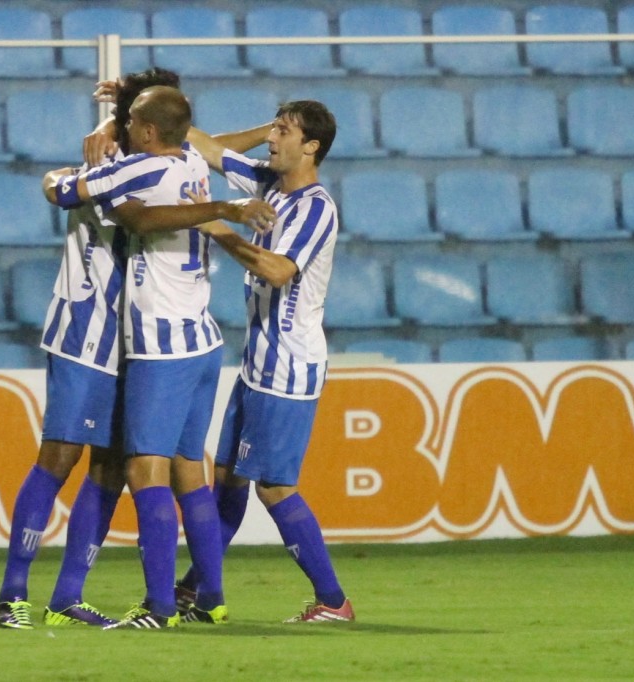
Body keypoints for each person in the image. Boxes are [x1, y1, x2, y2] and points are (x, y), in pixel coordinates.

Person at [0, 71, 274, 630]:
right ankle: (11, 594)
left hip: (141, 342)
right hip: (87, 331)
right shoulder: (108, 165)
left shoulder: (172, 156)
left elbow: (200, 142)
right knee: (60, 457)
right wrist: (66, 174)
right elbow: (59, 190)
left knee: (114, 467)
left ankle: (67, 597)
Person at [176, 100, 356, 623]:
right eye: (274, 129)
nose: (274, 139)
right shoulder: (266, 182)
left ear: (312, 147)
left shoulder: (316, 206)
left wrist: (217, 226)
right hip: (259, 361)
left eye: (286, 132)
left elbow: (279, 270)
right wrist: (133, 106)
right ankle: (196, 588)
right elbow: (200, 145)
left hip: (289, 365)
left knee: (275, 486)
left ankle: (333, 601)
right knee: (228, 479)